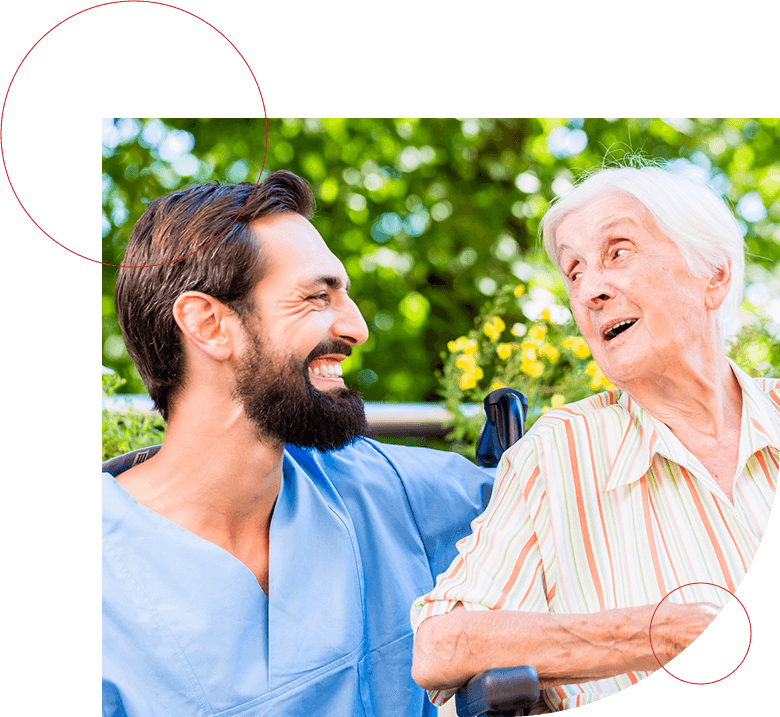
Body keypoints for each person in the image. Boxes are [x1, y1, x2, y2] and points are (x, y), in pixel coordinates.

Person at [102, 170, 496, 716]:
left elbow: (561, 497)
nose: (357, 328)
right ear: (209, 325)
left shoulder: (379, 488)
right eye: (317, 296)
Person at [410, 163, 779, 712]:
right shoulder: (559, 455)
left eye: (618, 253)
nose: (590, 291)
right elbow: (442, 645)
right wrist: (658, 634)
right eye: (574, 272)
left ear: (714, 275)